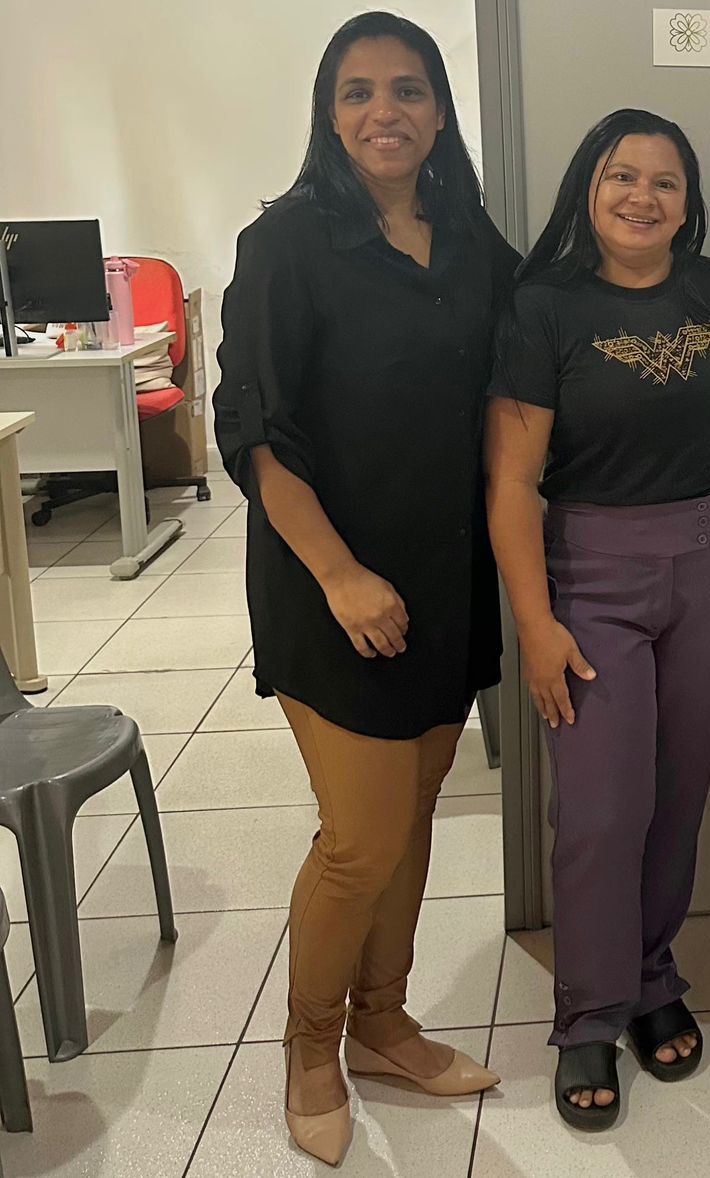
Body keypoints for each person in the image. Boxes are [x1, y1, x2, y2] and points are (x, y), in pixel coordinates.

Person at [212, 12, 514, 1166]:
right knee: (359, 837)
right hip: (330, 583)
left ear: (438, 109)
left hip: (448, 577)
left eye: (407, 88)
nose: (384, 111)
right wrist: (339, 573)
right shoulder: (286, 243)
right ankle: (309, 1046)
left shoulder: (471, 238)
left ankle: (384, 1022)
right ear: (328, 114)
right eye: (357, 91)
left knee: (416, 809)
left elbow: (531, 365)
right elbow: (255, 428)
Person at [485, 108, 710, 1132]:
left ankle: (652, 976)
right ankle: (588, 1013)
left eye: (664, 181)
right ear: (588, 187)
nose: (642, 196)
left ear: (688, 202)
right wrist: (536, 624)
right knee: (600, 809)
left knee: (676, 795)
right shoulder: (544, 307)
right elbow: (511, 483)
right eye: (621, 176)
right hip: (590, 572)